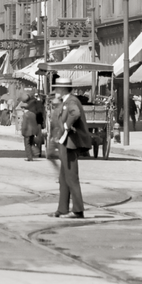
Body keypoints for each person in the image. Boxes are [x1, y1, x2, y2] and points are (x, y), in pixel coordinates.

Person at [51, 77, 92, 219]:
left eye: (57, 88)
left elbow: (75, 113)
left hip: (70, 143)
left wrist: (67, 126)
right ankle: (62, 209)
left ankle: (78, 210)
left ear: (62, 89)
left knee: (71, 178)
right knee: (64, 178)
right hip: (66, 143)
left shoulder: (71, 101)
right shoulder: (66, 101)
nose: (55, 91)